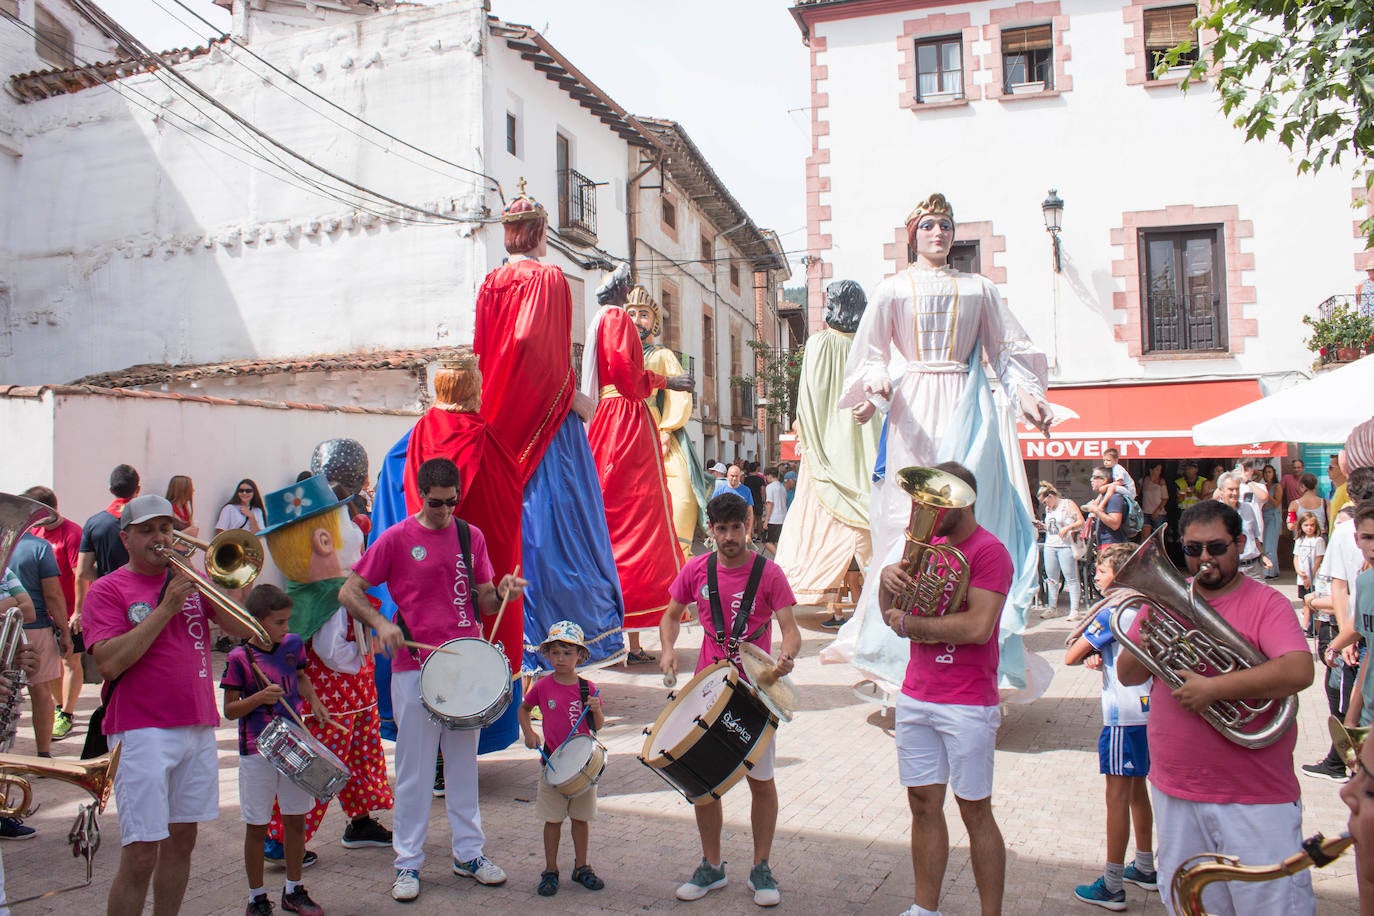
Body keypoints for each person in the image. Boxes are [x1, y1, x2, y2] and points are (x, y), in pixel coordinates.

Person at [338, 457, 526, 903]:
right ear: (421, 496)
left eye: (451, 502)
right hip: (414, 669)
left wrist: (500, 592)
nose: (444, 511)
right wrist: (381, 623)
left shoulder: (469, 535)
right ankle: (407, 863)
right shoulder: (398, 538)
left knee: (463, 767)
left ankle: (469, 854)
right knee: (414, 772)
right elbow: (348, 591)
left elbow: (482, 600)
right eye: (436, 503)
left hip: (465, 666)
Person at [1116, 499, 1315, 916]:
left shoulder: (1267, 603)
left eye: (1216, 547)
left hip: (1254, 797)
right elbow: (1128, 675)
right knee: (1191, 906)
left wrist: (1214, 689)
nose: (1205, 559)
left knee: (1271, 906)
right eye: (1192, 549)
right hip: (1174, 789)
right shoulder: (1164, 601)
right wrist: (1146, 644)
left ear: (1240, 544)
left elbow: (1298, 670)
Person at [82, 494, 263, 916]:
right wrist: (166, 608)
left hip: (197, 723)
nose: (159, 538)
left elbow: (242, 629)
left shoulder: (189, 578)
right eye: (147, 530)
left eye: (166, 528)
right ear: (125, 538)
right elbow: (108, 663)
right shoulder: (109, 589)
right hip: (140, 729)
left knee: (183, 842)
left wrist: (221, 581)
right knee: (141, 852)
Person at [473, 186, 626, 676]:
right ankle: (570, 644)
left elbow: (485, 352)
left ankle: (514, 647)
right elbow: (544, 353)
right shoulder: (551, 279)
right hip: (549, 425)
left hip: (498, 424)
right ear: (539, 233)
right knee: (569, 533)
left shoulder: (489, 283)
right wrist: (570, 398)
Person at [878, 461, 1013, 916]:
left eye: (935, 502)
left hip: (968, 701)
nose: (923, 508)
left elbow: (977, 627)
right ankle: (924, 909)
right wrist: (884, 583)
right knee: (922, 804)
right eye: (921, 500)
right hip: (917, 693)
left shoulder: (989, 551)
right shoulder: (926, 545)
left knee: (975, 810)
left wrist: (914, 623)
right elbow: (890, 613)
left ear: (964, 502)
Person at [659, 493, 801, 908]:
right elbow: (670, 614)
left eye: (736, 528)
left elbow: (790, 628)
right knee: (704, 784)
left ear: (749, 526)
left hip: (756, 693)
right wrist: (667, 650)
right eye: (720, 530)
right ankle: (712, 866)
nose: (728, 537)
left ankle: (761, 867)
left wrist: (787, 654)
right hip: (707, 689)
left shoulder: (769, 574)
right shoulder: (695, 569)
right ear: (711, 529)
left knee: (761, 782)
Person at [257, 475, 393, 868]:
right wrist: (367, 649)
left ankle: (362, 821)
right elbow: (333, 653)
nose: (358, 529)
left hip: (354, 699)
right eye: (348, 524)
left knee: (362, 760)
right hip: (333, 703)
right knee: (320, 767)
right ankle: (280, 838)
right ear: (323, 541)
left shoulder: (321, 589)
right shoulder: (329, 597)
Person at [583, 279, 692, 662]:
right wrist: (668, 381)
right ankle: (636, 627)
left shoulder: (603, 318)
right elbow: (628, 377)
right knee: (640, 520)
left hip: (612, 421)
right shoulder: (615, 319)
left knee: (624, 519)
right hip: (627, 422)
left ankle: (624, 632)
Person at [775, 278, 880, 629]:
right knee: (870, 526)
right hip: (866, 449)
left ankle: (812, 591)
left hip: (825, 448)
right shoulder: (870, 345)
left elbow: (809, 398)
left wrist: (808, 437)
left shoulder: (818, 343)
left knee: (816, 520)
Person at [221, 584, 329, 916]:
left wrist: (314, 700)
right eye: (280, 622)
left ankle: (293, 890)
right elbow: (230, 710)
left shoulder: (293, 645)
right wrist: (258, 699)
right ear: (256, 621)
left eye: (288, 621)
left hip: (294, 745)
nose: (287, 629)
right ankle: (256, 897)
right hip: (257, 749)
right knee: (257, 824)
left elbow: (300, 677)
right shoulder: (240, 658)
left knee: (296, 820)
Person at [1064, 542, 1157, 910]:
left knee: (1116, 798)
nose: (1097, 576)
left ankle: (1113, 883)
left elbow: (1071, 655)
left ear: (1118, 575)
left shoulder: (1112, 612)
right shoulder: (1145, 606)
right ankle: (1145, 866)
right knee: (1137, 792)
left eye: (1101, 571)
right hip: (1149, 710)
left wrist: (1094, 651)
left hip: (1122, 715)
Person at [518, 621, 606, 898]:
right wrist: (529, 733)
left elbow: (598, 726)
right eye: (555, 653)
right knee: (552, 820)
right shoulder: (543, 686)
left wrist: (596, 709)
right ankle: (550, 870)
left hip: (581, 768)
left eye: (567, 653)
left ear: (579, 656)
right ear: (547, 654)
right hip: (552, 766)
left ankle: (582, 867)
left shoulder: (586, 688)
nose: (561, 659)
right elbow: (523, 708)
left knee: (581, 820)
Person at [625, 286, 710, 561]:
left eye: (643, 315)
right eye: (632, 314)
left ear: (655, 322)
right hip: (626, 435)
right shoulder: (621, 356)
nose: (637, 320)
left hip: (658, 434)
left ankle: (678, 558)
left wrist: (665, 430)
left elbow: (678, 394)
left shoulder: (661, 355)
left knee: (682, 496)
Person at [22, 486, 83, 742]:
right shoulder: (34, 533)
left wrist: (78, 612)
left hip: (68, 610)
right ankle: (59, 707)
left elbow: (80, 574)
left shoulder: (72, 532)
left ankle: (67, 714)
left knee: (71, 662)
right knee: (53, 668)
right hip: (45, 615)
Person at [5, 530, 71, 760]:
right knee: (40, 690)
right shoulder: (40, 547)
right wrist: (64, 630)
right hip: (37, 629)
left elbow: (27, 606)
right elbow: (52, 594)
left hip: (27, 624)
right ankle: (43, 752)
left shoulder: (10, 571)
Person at [1035, 482, 1084, 621]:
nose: (1045, 505)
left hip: (1066, 546)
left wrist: (1068, 528)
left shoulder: (1067, 504)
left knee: (1071, 578)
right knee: (1051, 578)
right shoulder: (1049, 510)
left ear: (1051, 496)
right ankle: (1052, 607)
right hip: (1051, 544)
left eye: (1045, 501)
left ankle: (1074, 610)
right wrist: (1043, 526)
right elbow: (1053, 528)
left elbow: (1081, 521)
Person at [1214, 471, 1272, 579]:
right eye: (1231, 489)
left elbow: (1254, 537)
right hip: (1229, 569)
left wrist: (1263, 556)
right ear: (1221, 491)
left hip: (1253, 568)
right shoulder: (1214, 513)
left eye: (1237, 489)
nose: (1235, 493)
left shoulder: (1248, 508)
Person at [1084, 466, 1129, 546]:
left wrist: (1096, 510)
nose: (1091, 480)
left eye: (1094, 477)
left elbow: (1115, 524)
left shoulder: (1114, 497)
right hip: (1104, 544)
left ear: (1104, 480)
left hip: (1113, 546)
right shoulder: (1103, 497)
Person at [1293, 512, 1326, 602]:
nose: (1309, 528)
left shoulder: (1318, 540)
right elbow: (1296, 557)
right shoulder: (1299, 540)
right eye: (1306, 525)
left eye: (1312, 525)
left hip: (1314, 576)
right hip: (1302, 577)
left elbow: (1319, 559)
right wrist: (1298, 571)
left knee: (1313, 599)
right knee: (1304, 599)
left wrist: (1310, 576)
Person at [712, 464, 755, 531]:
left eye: (736, 476)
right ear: (727, 476)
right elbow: (712, 512)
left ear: (740, 477)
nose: (734, 478)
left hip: (740, 530)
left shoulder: (746, 491)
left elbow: (750, 513)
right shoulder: (720, 492)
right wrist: (713, 533)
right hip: (724, 530)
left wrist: (749, 533)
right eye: (732, 476)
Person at [1287, 472, 1328, 537]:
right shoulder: (1325, 502)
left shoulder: (1294, 504)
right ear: (1315, 486)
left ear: (1302, 486)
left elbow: (1291, 526)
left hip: (1302, 537)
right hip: (1321, 536)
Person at [1260, 464, 1283, 578]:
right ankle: (1274, 570)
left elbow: (1276, 503)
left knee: (1270, 544)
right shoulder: (1263, 486)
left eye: (1269, 472)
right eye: (1265, 472)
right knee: (1265, 544)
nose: (1267, 474)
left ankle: (1270, 572)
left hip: (1273, 516)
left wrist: (1267, 495)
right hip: (1264, 516)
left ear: (1273, 473)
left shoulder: (1277, 486)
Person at [760, 468, 788, 558]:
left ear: (769, 475)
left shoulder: (770, 487)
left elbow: (770, 503)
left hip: (773, 518)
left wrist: (766, 520)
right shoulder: (782, 487)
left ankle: (779, 558)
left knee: (766, 541)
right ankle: (781, 557)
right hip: (783, 517)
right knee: (777, 541)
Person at [1139, 462, 1169, 542]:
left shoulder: (1161, 481)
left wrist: (1157, 510)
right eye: (1157, 470)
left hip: (1159, 513)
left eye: (1160, 470)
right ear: (1151, 470)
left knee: (1158, 538)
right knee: (1145, 537)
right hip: (1146, 511)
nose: (1158, 472)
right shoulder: (1144, 480)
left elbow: (1165, 498)